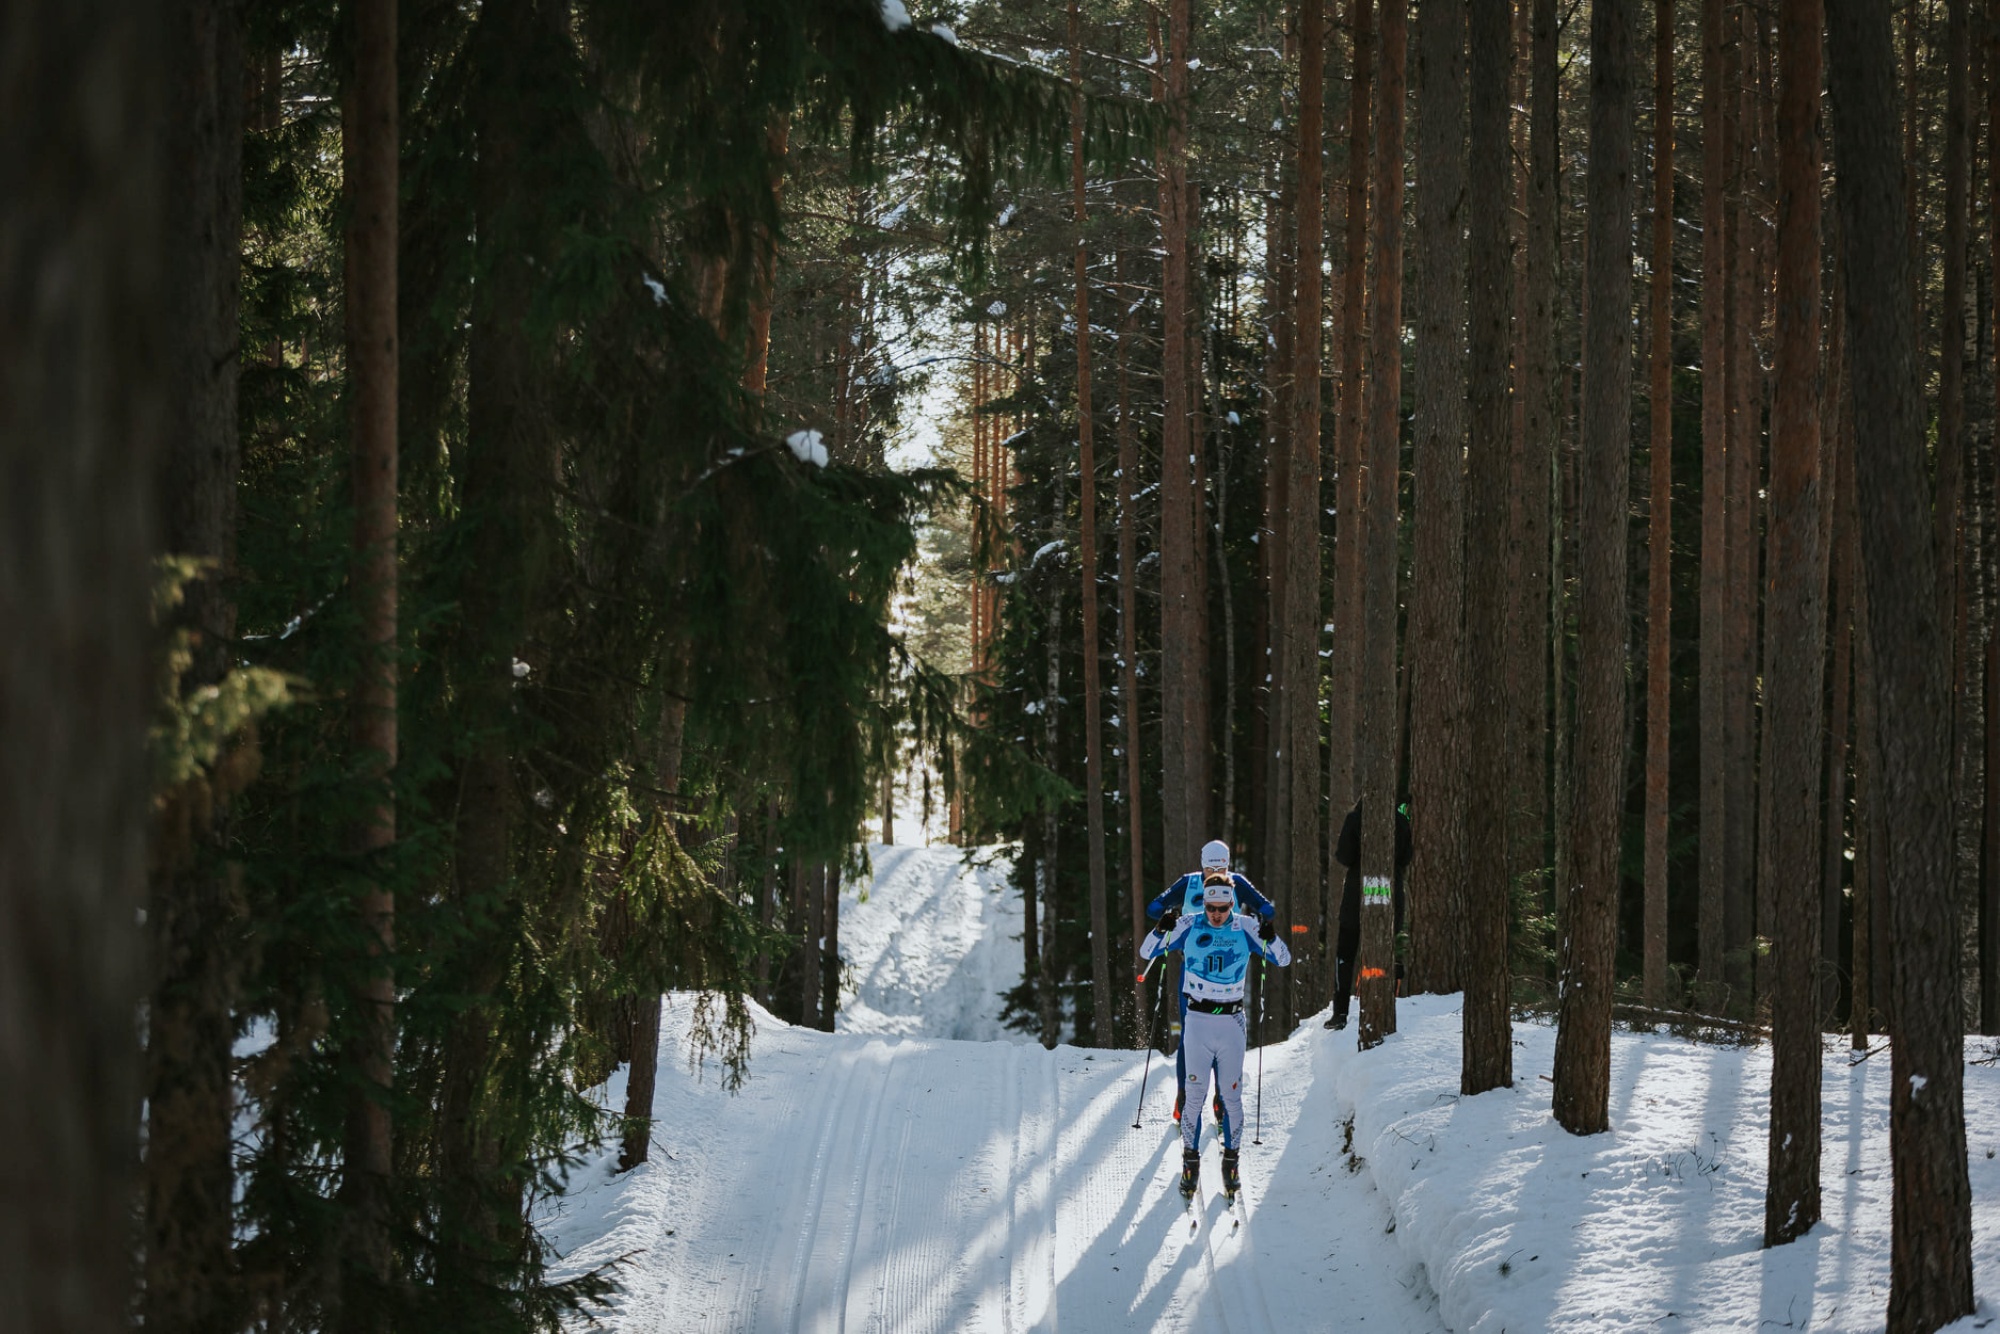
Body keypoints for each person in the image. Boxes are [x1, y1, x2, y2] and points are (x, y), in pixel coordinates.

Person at [1141, 877, 1292, 1199]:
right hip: (1196, 1020)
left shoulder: (1246, 927)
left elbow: (1283, 958)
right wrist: (1160, 928)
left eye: (1223, 908)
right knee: (1194, 1096)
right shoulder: (1188, 924)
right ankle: (1190, 1162)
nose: (1217, 914)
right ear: (1204, 903)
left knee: (1231, 1097)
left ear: (1232, 905)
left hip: (1232, 1022)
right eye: (1211, 908)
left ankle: (1231, 1162)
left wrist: (1272, 937)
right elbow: (1146, 951)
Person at [1145, 840, 1276, 1123]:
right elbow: (1153, 906)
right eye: (1209, 867)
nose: (1215, 872)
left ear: (1228, 865)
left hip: (1228, 971)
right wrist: (1168, 915)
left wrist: (1259, 918)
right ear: (1201, 865)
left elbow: (1268, 908)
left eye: (1222, 867)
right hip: (1193, 972)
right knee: (1190, 1037)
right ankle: (1184, 1096)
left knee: (1224, 1041)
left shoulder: (1237, 882)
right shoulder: (1190, 882)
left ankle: (1220, 1098)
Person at [1326, 800, 1413, 1030]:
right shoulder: (1401, 820)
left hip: (1357, 892)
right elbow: (1407, 857)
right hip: (1390, 890)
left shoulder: (1355, 818)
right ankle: (1386, 1004)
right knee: (1387, 950)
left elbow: (1344, 856)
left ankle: (1341, 1012)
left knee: (1345, 954)